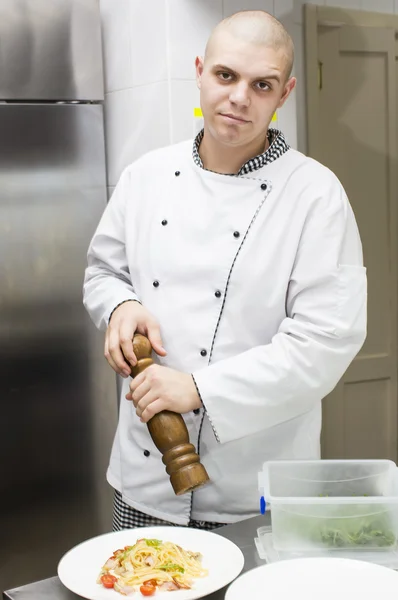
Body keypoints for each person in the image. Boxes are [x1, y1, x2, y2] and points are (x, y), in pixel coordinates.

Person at [83, 10, 367, 531]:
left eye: (263, 84)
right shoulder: (145, 176)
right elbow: (104, 270)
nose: (239, 98)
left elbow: (325, 340)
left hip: (253, 486)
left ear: (285, 94)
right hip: (144, 479)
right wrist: (120, 306)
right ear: (200, 70)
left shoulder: (315, 194)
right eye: (226, 75)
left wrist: (198, 389)